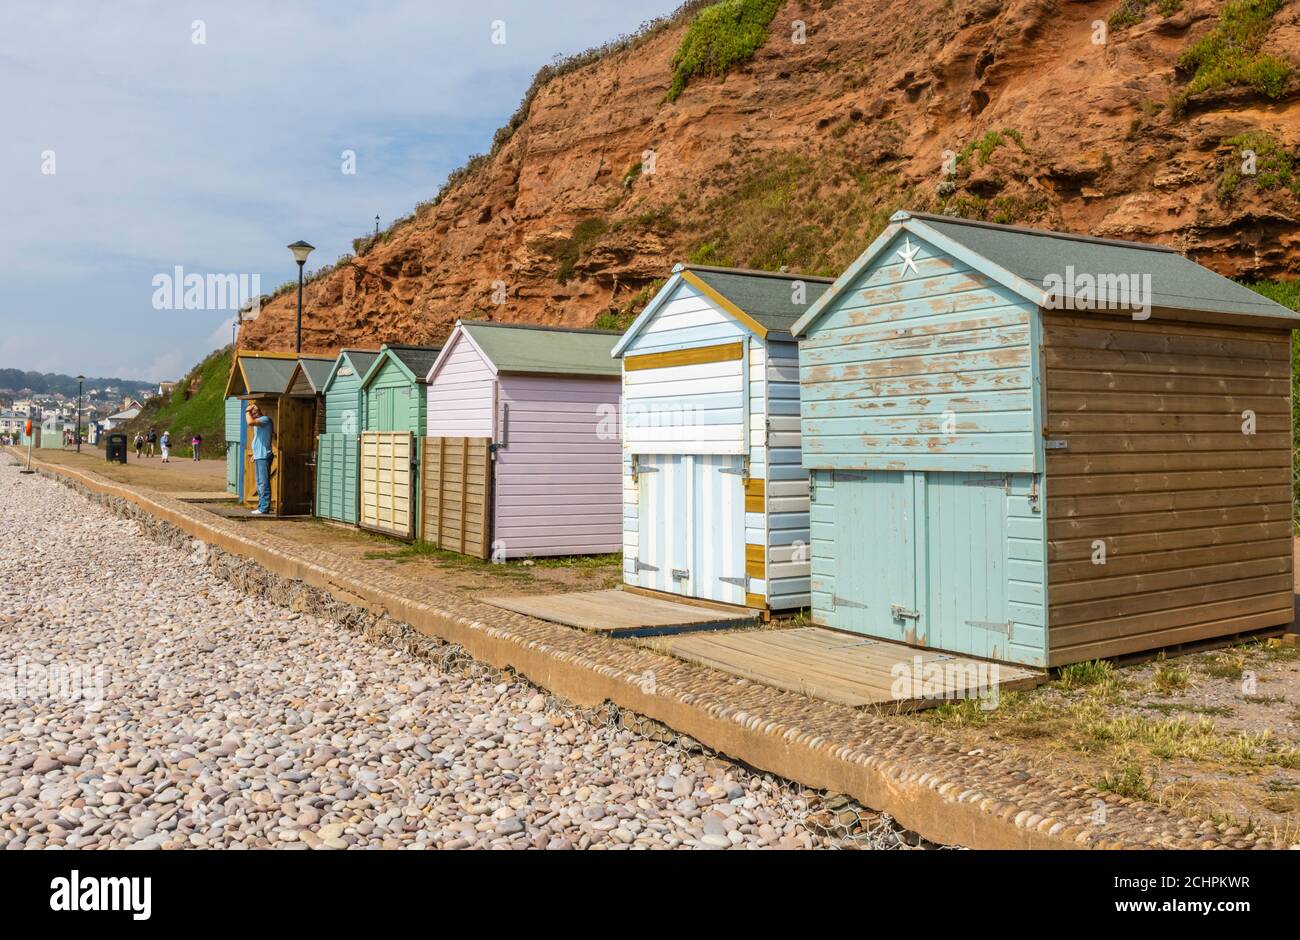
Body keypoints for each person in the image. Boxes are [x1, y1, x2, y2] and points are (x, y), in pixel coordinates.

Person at [246, 402, 273, 515]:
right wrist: (255, 454)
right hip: (259, 455)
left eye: (254, 411)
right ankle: (262, 506)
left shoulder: (265, 419)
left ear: (259, 411)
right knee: (260, 483)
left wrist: (246, 411)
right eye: (252, 412)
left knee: (263, 483)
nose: (253, 413)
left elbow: (250, 422)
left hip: (264, 456)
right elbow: (259, 440)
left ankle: (264, 508)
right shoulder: (260, 422)